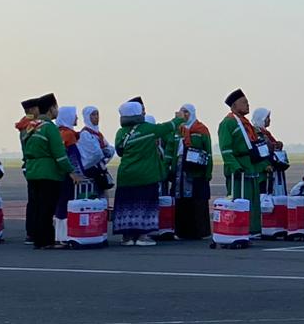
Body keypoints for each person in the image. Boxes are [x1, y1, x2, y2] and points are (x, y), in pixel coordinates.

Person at [114, 101, 185, 245]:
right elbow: (167, 127)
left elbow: (119, 151)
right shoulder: (147, 129)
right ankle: (142, 237)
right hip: (145, 175)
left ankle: (127, 238)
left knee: (127, 205)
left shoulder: (121, 133)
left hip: (125, 174)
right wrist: (179, 118)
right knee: (145, 205)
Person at [20, 94, 71, 250]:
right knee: (47, 207)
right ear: (51, 109)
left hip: (32, 170)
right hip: (48, 171)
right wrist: (71, 171)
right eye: (56, 107)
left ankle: (36, 238)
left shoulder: (29, 126)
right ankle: (46, 240)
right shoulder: (49, 127)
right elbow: (59, 153)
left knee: (36, 205)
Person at [218, 89, 269, 237]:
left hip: (250, 168)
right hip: (238, 170)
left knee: (252, 201)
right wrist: (236, 167)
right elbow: (226, 150)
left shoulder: (246, 125)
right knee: (240, 200)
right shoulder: (227, 123)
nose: (248, 105)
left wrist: (263, 165)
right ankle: (239, 229)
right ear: (234, 105)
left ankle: (253, 230)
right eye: (244, 102)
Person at [175, 104, 213, 240]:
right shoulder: (178, 130)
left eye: (186, 112)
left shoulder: (201, 129)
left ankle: (200, 232)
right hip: (181, 171)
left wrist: (208, 172)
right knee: (182, 201)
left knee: (198, 201)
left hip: (197, 170)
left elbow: (208, 151)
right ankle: (182, 232)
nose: (184, 114)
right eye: (182, 111)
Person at [54, 106, 88, 245]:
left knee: (59, 204)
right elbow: (73, 157)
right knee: (66, 203)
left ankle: (58, 235)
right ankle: (66, 235)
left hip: (57, 173)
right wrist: (77, 174)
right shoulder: (69, 134)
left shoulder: (57, 132)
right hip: (68, 175)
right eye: (74, 115)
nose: (77, 118)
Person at [76, 106, 116, 196]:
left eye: (97, 114)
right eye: (93, 114)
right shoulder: (85, 134)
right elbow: (95, 154)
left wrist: (106, 153)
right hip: (90, 173)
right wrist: (104, 152)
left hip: (100, 171)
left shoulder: (98, 134)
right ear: (87, 117)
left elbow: (110, 149)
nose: (97, 117)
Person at [252, 107, 290, 197]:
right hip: (262, 171)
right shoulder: (256, 133)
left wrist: (277, 145)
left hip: (271, 170)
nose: (269, 120)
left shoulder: (266, 133)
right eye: (267, 118)